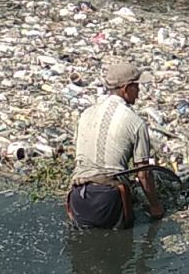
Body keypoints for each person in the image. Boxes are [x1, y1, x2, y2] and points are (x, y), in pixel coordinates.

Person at [66, 63, 164, 229]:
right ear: (126, 89)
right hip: (109, 202)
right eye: (136, 87)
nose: (139, 93)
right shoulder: (135, 123)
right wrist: (155, 206)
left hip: (77, 201)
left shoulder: (86, 114)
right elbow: (144, 175)